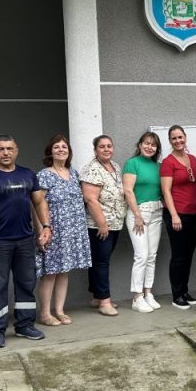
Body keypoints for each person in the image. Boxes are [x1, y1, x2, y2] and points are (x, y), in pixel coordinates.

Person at [0, 135, 50, 348]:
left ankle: (24, 325)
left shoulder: (27, 174)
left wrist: (46, 227)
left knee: (26, 283)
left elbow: (39, 202)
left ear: (16, 150)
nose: (5, 153)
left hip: (25, 240)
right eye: (1, 149)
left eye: (9, 148)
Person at [34, 134, 90, 327]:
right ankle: (44, 313)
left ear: (69, 151)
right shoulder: (44, 174)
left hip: (72, 230)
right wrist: (42, 229)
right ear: (50, 152)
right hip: (53, 229)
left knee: (64, 271)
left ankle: (59, 310)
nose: (60, 150)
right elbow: (36, 204)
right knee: (50, 272)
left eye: (64, 147)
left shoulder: (73, 173)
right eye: (56, 147)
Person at [81, 135, 126, 317]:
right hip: (100, 225)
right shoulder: (92, 169)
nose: (106, 149)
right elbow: (90, 199)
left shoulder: (115, 166)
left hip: (115, 223)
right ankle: (104, 301)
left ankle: (97, 296)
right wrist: (102, 224)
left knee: (100, 260)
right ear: (95, 150)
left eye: (109, 146)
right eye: (102, 147)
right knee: (101, 262)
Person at [161, 125, 196, 309]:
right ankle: (176, 294)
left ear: (185, 137)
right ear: (170, 141)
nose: (178, 141)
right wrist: (174, 215)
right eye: (174, 138)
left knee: (188, 254)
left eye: (180, 137)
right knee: (178, 256)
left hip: (195, 213)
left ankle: (184, 290)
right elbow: (166, 191)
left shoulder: (192, 159)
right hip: (178, 214)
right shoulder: (168, 162)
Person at [123, 131, 164, 314]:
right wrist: (137, 215)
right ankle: (137, 297)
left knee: (152, 255)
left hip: (156, 212)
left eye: (153, 145)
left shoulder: (158, 166)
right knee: (142, 255)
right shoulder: (132, 164)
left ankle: (148, 293)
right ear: (139, 145)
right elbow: (128, 191)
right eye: (146, 143)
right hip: (139, 214)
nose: (149, 147)